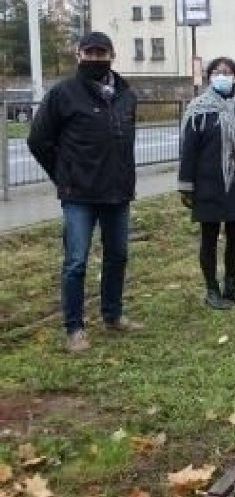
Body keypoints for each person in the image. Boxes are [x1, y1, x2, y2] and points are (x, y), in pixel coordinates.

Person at [27, 31, 142, 353]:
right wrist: (63, 176)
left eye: (100, 53)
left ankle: (113, 315)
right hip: (79, 195)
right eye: (88, 53)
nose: (95, 58)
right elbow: (38, 141)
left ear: (112, 55)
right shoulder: (63, 93)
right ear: (78, 56)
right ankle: (74, 328)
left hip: (118, 193)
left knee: (117, 255)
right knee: (76, 262)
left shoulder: (126, 94)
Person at [178, 57, 235, 309]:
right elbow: (188, 150)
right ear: (209, 77)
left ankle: (231, 286)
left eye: (227, 72)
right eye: (217, 72)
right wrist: (185, 185)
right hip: (207, 184)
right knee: (208, 237)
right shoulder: (198, 110)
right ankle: (211, 290)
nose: (222, 75)